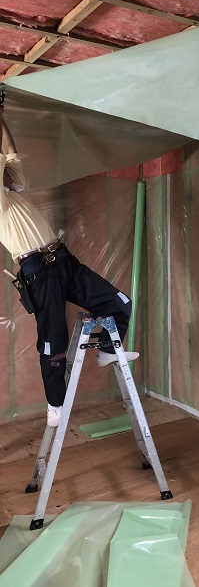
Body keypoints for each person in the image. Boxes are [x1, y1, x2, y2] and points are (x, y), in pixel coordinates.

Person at [0, 104, 139, 428]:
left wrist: (1, 116)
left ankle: (108, 350)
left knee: (120, 303)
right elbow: (5, 156)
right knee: (53, 341)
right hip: (38, 271)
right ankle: (55, 405)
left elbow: (11, 154)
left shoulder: (13, 193)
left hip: (63, 261)